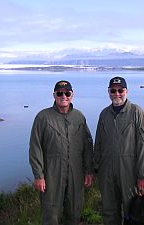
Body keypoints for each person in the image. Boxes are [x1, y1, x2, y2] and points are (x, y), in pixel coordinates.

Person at [29, 80, 94, 225]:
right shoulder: (42, 117)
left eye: (67, 93)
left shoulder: (79, 117)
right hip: (52, 175)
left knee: (74, 212)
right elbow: (35, 148)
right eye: (59, 93)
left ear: (72, 95)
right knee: (51, 215)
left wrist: (89, 170)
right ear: (54, 95)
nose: (63, 96)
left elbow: (88, 145)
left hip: (75, 174)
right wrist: (38, 176)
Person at [94, 76, 144, 225]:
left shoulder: (137, 112)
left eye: (120, 90)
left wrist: (143, 175)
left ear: (126, 91)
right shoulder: (104, 114)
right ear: (109, 92)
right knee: (109, 211)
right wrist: (96, 168)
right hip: (106, 172)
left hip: (129, 172)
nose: (117, 94)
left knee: (132, 211)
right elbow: (98, 143)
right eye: (113, 90)